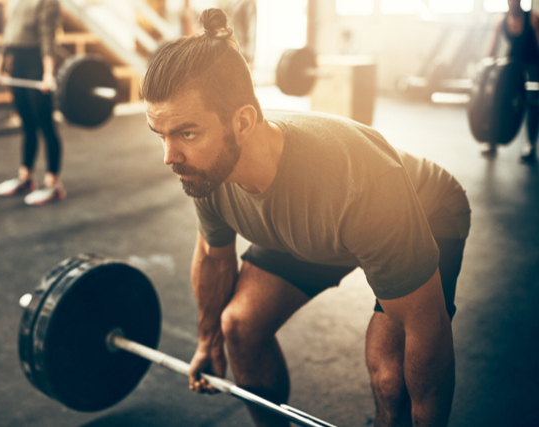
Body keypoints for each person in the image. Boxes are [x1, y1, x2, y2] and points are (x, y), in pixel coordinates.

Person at [142, 9, 471, 427]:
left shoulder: (357, 180)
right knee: (237, 326)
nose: (169, 157)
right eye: (162, 135)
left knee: (391, 374)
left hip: (424, 211)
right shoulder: (207, 169)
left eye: (186, 134)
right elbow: (213, 255)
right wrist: (208, 340)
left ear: (242, 122)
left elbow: (428, 330)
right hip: (320, 228)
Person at [0, 0, 66, 205]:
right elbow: (7, 34)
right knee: (27, 124)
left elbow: (47, 36)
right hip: (18, 63)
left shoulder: (48, 2)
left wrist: (48, 74)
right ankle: (26, 178)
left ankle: (53, 184)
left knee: (46, 125)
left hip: (37, 64)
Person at [484, 0, 539, 163]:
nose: (512, 3)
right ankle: (492, 141)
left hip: (532, 65)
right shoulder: (501, 21)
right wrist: (484, 68)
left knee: (533, 102)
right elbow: (492, 49)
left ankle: (530, 145)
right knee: (497, 98)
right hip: (513, 66)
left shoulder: (533, 19)